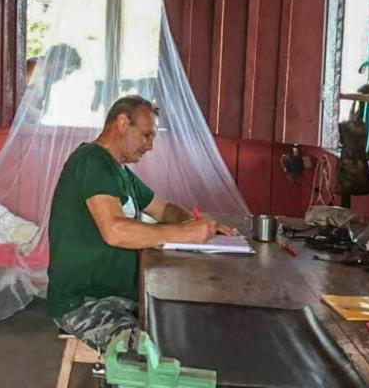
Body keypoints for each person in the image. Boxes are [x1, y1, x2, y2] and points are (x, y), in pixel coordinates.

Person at [47, 95, 236, 350]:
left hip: (120, 296)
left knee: (193, 327)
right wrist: (184, 234)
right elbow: (114, 231)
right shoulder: (91, 161)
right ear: (123, 123)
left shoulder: (120, 172)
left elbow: (164, 208)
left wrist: (197, 223)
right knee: (144, 353)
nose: (151, 146)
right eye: (147, 135)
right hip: (85, 301)